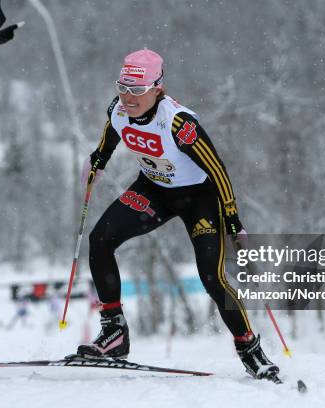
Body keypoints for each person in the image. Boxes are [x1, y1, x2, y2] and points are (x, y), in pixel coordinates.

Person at [74, 49, 280, 380]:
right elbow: (108, 141)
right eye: (122, 87)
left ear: (157, 88)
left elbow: (217, 170)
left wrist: (232, 219)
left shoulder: (179, 123)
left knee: (212, 278)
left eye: (137, 90)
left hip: (199, 199)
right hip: (153, 191)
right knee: (100, 239)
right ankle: (114, 333)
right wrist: (96, 163)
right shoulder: (118, 111)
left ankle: (250, 350)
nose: (128, 97)